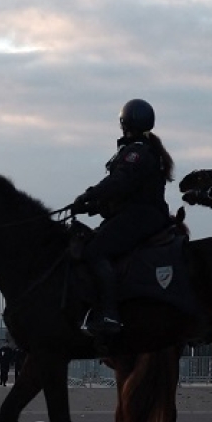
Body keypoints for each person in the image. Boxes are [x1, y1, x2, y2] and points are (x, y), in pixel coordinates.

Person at [72, 99, 174, 339]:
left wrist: (89, 194)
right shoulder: (143, 149)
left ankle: (109, 314)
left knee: (95, 251)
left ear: (124, 122)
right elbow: (126, 190)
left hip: (141, 216)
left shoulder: (136, 152)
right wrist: (94, 205)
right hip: (138, 214)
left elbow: (120, 182)